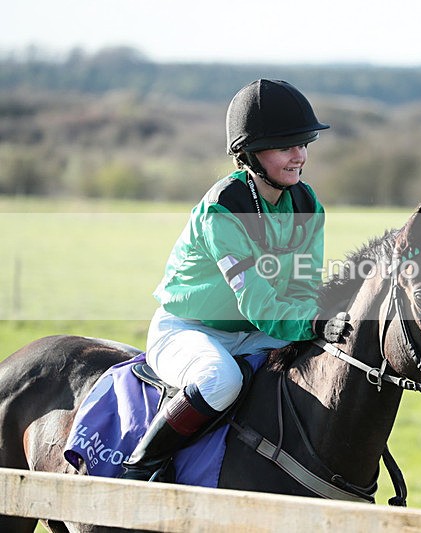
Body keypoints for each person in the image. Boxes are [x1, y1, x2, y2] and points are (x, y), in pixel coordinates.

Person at [121, 79, 350, 481]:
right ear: (250, 154)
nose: (300, 156)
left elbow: (302, 286)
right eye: (286, 147)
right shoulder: (224, 208)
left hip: (257, 330)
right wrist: (313, 322)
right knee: (221, 381)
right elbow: (260, 304)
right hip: (189, 330)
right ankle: (142, 468)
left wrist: (323, 322)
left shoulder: (307, 203)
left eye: (304, 144)